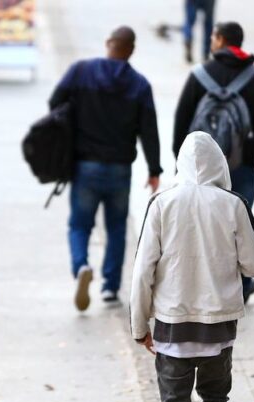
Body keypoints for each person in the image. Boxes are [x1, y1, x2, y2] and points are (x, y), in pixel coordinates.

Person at [130, 132, 254, 402]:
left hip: (172, 329)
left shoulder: (162, 205)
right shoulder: (232, 204)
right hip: (217, 330)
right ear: (220, 165)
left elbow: (142, 271)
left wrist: (140, 326)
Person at [49, 26, 162, 311]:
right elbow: (149, 130)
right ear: (131, 50)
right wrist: (154, 169)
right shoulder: (139, 85)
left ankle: (82, 266)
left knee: (79, 224)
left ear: (108, 43)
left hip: (85, 165)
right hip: (120, 169)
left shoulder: (81, 72)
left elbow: (54, 104)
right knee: (116, 228)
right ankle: (110, 287)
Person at [173, 21, 254, 303]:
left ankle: (207, 287)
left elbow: (181, 122)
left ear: (219, 40)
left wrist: (178, 164)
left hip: (199, 170)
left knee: (202, 227)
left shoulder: (199, 76)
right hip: (241, 166)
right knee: (239, 227)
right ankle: (241, 287)